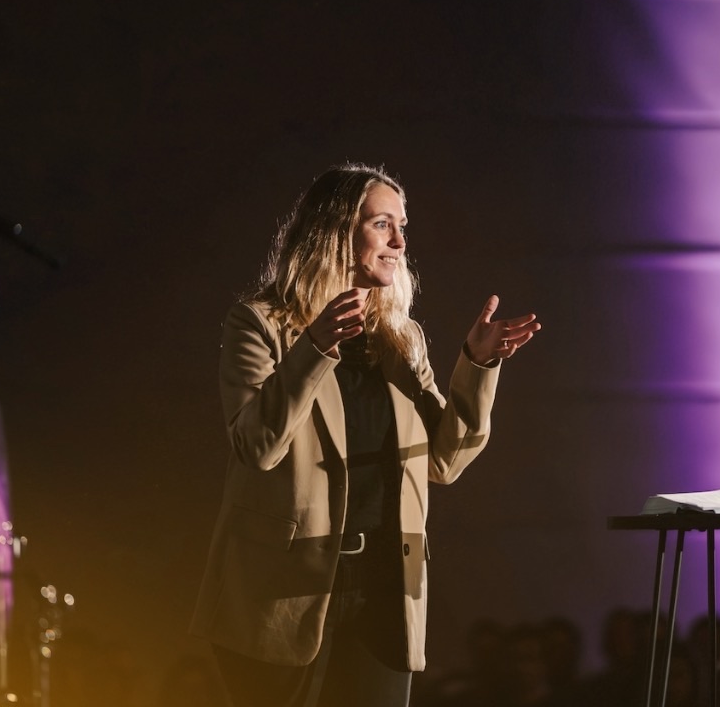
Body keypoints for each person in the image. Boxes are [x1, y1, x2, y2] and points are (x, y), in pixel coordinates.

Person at [189, 163, 542, 707]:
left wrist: (477, 363)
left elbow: (445, 461)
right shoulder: (260, 324)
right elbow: (257, 447)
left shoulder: (401, 339)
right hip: (281, 590)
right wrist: (314, 347)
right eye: (382, 224)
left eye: (402, 226)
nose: (400, 242)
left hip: (384, 588)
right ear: (335, 231)